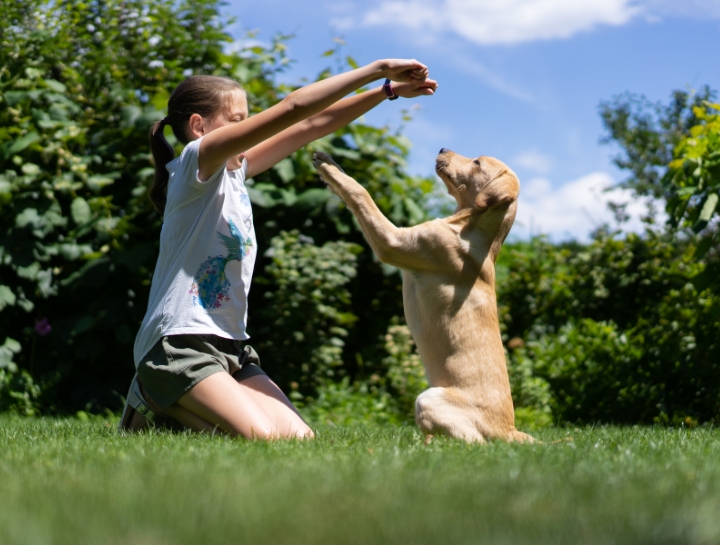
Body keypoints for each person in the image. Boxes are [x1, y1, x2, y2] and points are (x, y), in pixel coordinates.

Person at [119, 59, 438, 439]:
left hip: (231, 346)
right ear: (199, 127)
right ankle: (152, 392)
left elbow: (310, 125)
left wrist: (385, 92)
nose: (248, 129)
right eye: (237, 121)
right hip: (178, 343)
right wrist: (378, 69)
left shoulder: (234, 172)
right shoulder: (195, 163)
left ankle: (168, 409)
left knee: (301, 442)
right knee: (262, 440)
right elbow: (293, 109)